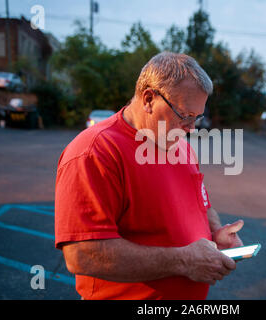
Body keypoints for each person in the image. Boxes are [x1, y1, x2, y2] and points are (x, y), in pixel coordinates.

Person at [55, 52, 244, 300]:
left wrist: (216, 232)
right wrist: (184, 261)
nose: (191, 128)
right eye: (185, 115)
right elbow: (83, 254)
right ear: (148, 98)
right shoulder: (95, 152)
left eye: (197, 118)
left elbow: (202, 204)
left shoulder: (180, 145)